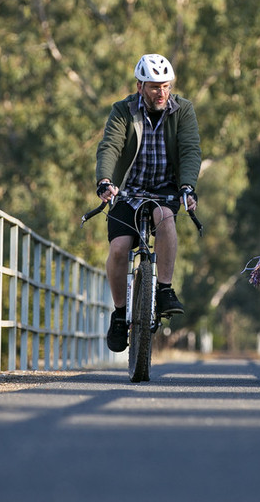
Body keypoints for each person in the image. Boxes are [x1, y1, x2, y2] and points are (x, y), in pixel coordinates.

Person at [95, 53, 201, 353]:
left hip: (165, 190)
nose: (161, 93)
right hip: (127, 191)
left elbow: (190, 150)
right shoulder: (123, 110)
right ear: (140, 85)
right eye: (154, 86)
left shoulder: (183, 110)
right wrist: (105, 180)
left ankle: (164, 289)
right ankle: (119, 314)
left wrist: (187, 186)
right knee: (118, 249)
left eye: (166, 86)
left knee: (166, 220)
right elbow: (111, 146)